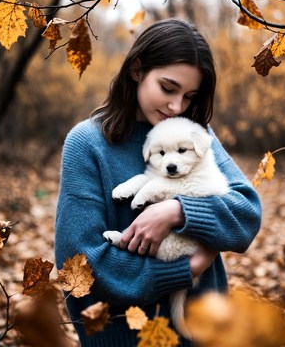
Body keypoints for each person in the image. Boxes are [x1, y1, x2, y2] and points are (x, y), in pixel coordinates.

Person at [55, 18, 262, 346]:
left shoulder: (194, 134)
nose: (177, 106)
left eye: (189, 96)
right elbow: (78, 264)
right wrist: (186, 269)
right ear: (136, 70)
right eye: (168, 88)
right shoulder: (87, 143)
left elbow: (246, 212)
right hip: (123, 336)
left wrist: (177, 211)